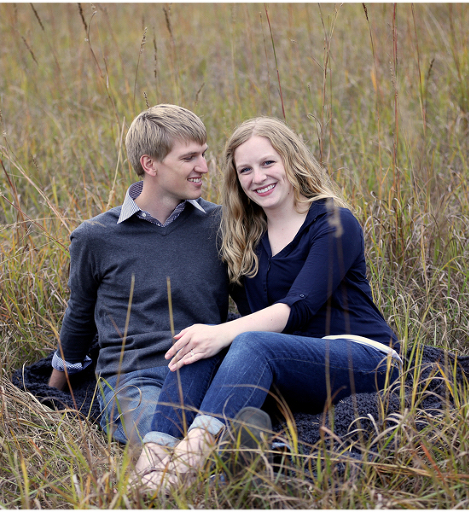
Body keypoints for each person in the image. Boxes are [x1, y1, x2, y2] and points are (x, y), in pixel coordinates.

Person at [134, 117, 401, 488]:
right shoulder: (245, 236)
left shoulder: (334, 222)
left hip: (363, 358)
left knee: (245, 341)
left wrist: (222, 333)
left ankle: (187, 462)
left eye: (268, 163)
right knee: (199, 346)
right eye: (246, 170)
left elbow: (299, 307)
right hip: (293, 368)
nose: (258, 177)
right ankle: (151, 459)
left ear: (291, 160)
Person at [48, 104, 238, 446]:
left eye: (203, 154)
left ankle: (237, 452)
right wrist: (51, 393)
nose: (204, 167)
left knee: (223, 432)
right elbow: (79, 315)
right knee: (159, 438)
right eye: (189, 158)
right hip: (134, 379)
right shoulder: (95, 237)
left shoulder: (221, 224)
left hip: (206, 369)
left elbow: (256, 299)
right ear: (150, 164)